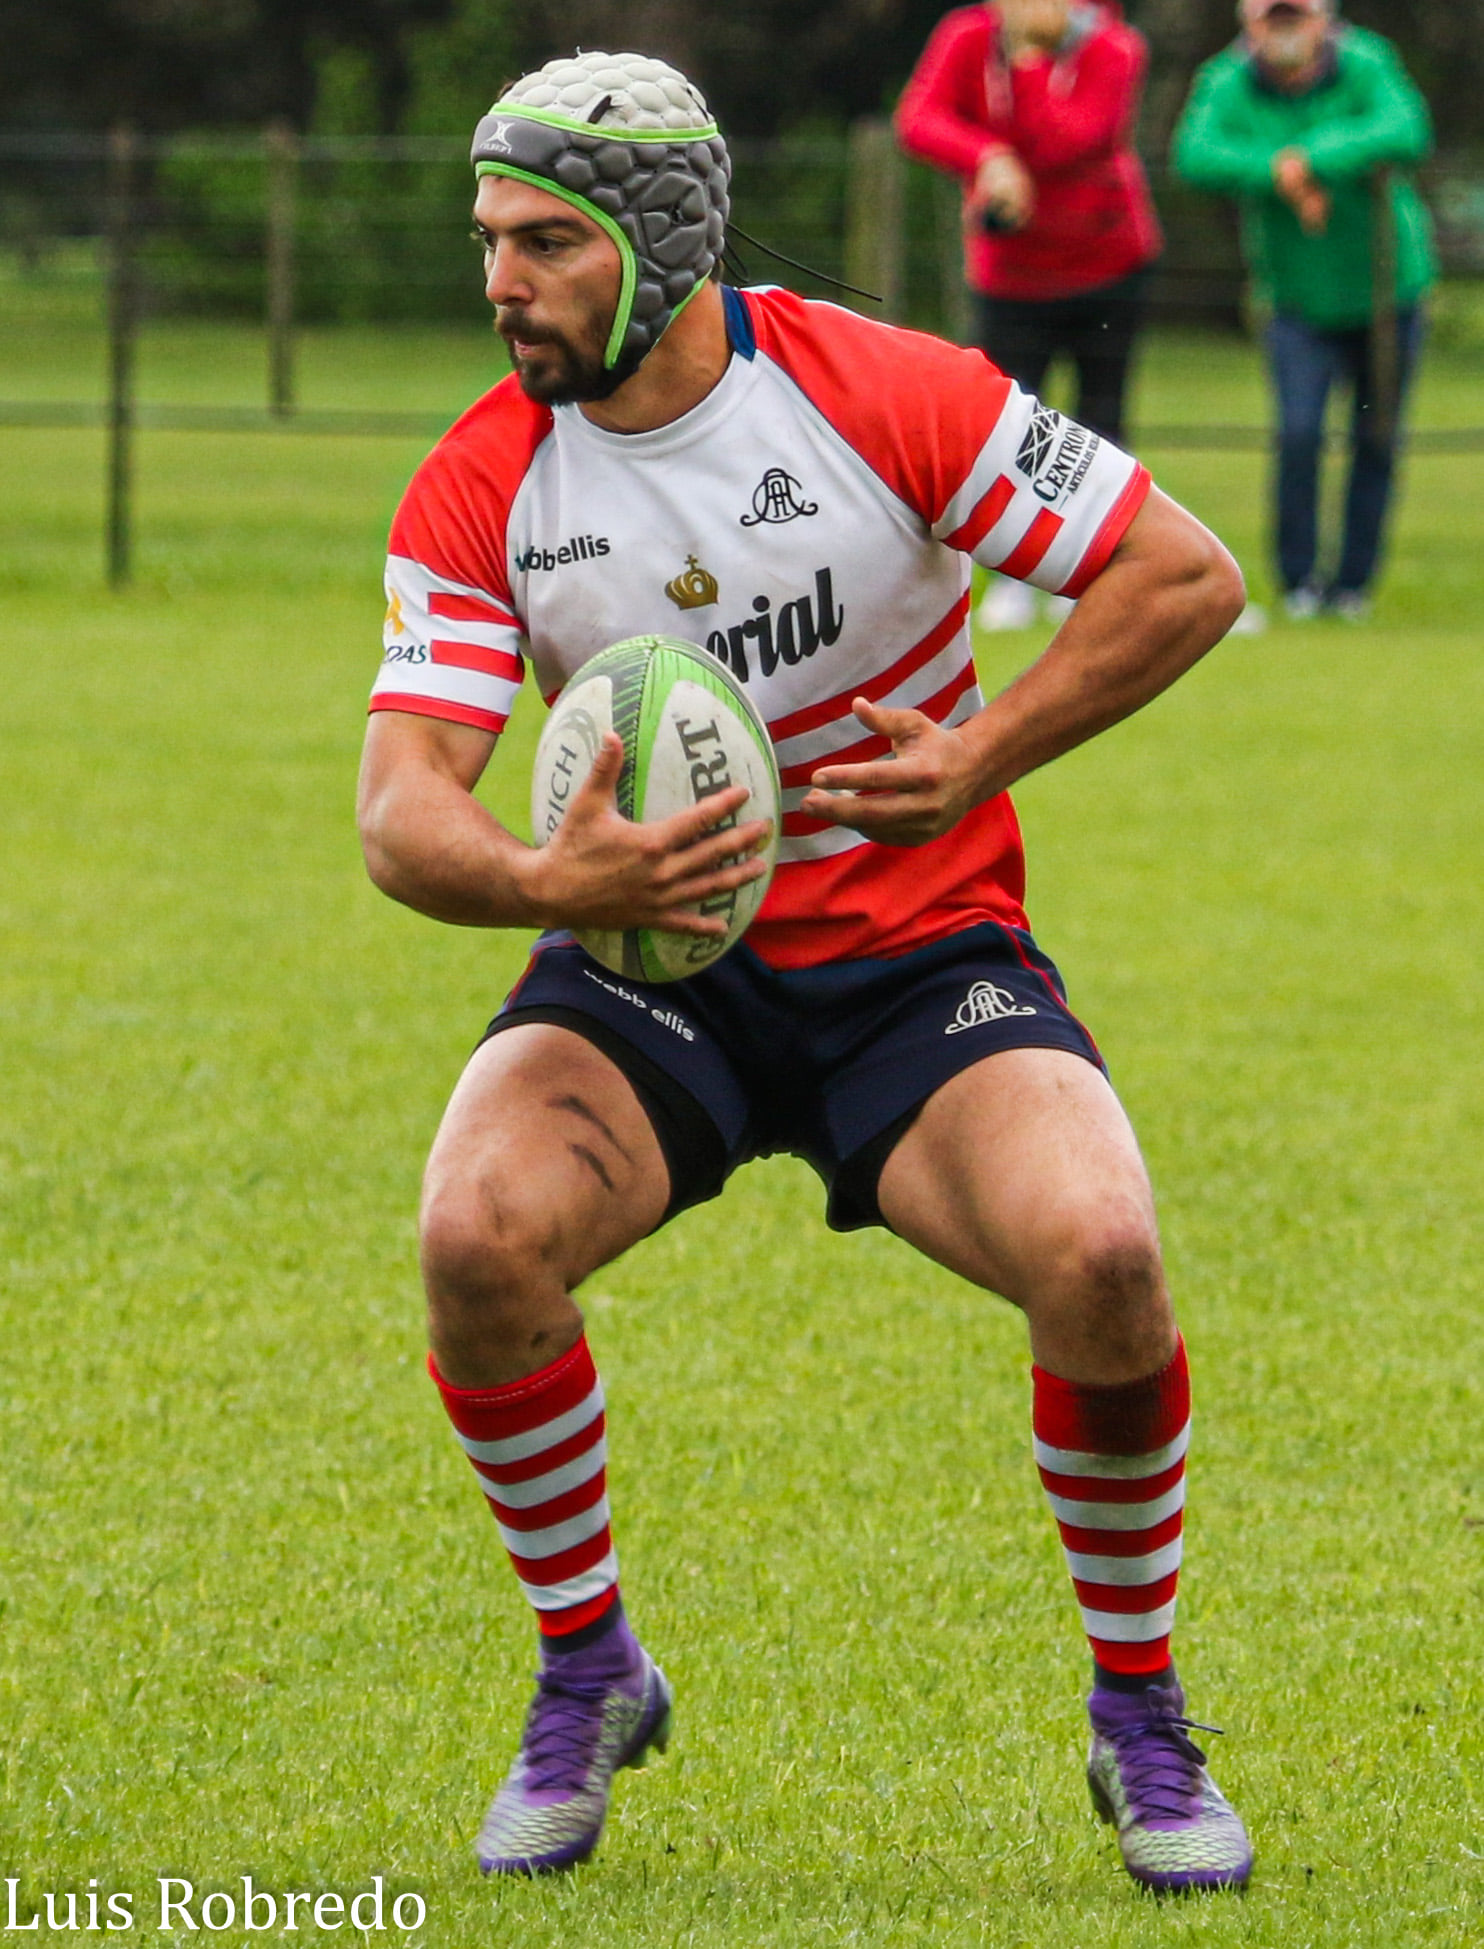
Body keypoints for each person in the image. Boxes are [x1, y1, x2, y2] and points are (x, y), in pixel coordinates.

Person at [356, 48, 1253, 1892]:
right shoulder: (488, 479)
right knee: (471, 1235)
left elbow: (1178, 574)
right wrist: (548, 872)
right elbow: (393, 810)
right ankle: (588, 1662)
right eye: (487, 241)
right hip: (646, 977)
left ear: (656, 243)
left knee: (1100, 1254)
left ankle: (1140, 1712)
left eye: (542, 242)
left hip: (919, 966)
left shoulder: (877, 389)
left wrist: (974, 753)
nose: (498, 283)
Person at [895, 0, 1162, 630]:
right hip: (1010, 276)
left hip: (1107, 267)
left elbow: (1071, 138)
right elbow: (919, 118)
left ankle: (1090, 573)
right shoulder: (965, 36)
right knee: (1006, 434)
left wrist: (1032, 62)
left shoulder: (1116, 48)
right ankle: (1013, 577)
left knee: (1101, 424)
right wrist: (986, 154)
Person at [1173, 0, 1435, 621]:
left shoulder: (1367, 60)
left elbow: (1405, 128)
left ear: (1325, 20)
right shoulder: (1226, 80)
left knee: (1377, 438)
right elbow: (1196, 152)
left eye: (1298, 15)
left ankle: (1353, 587)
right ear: (1249, 23)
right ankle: (1298, 583)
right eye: (1272, 17)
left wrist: (1309, 158)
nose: (1285, 30)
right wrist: (1274, 171)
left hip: (1386, 292)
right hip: (1294, 298)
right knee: (1298, 433)